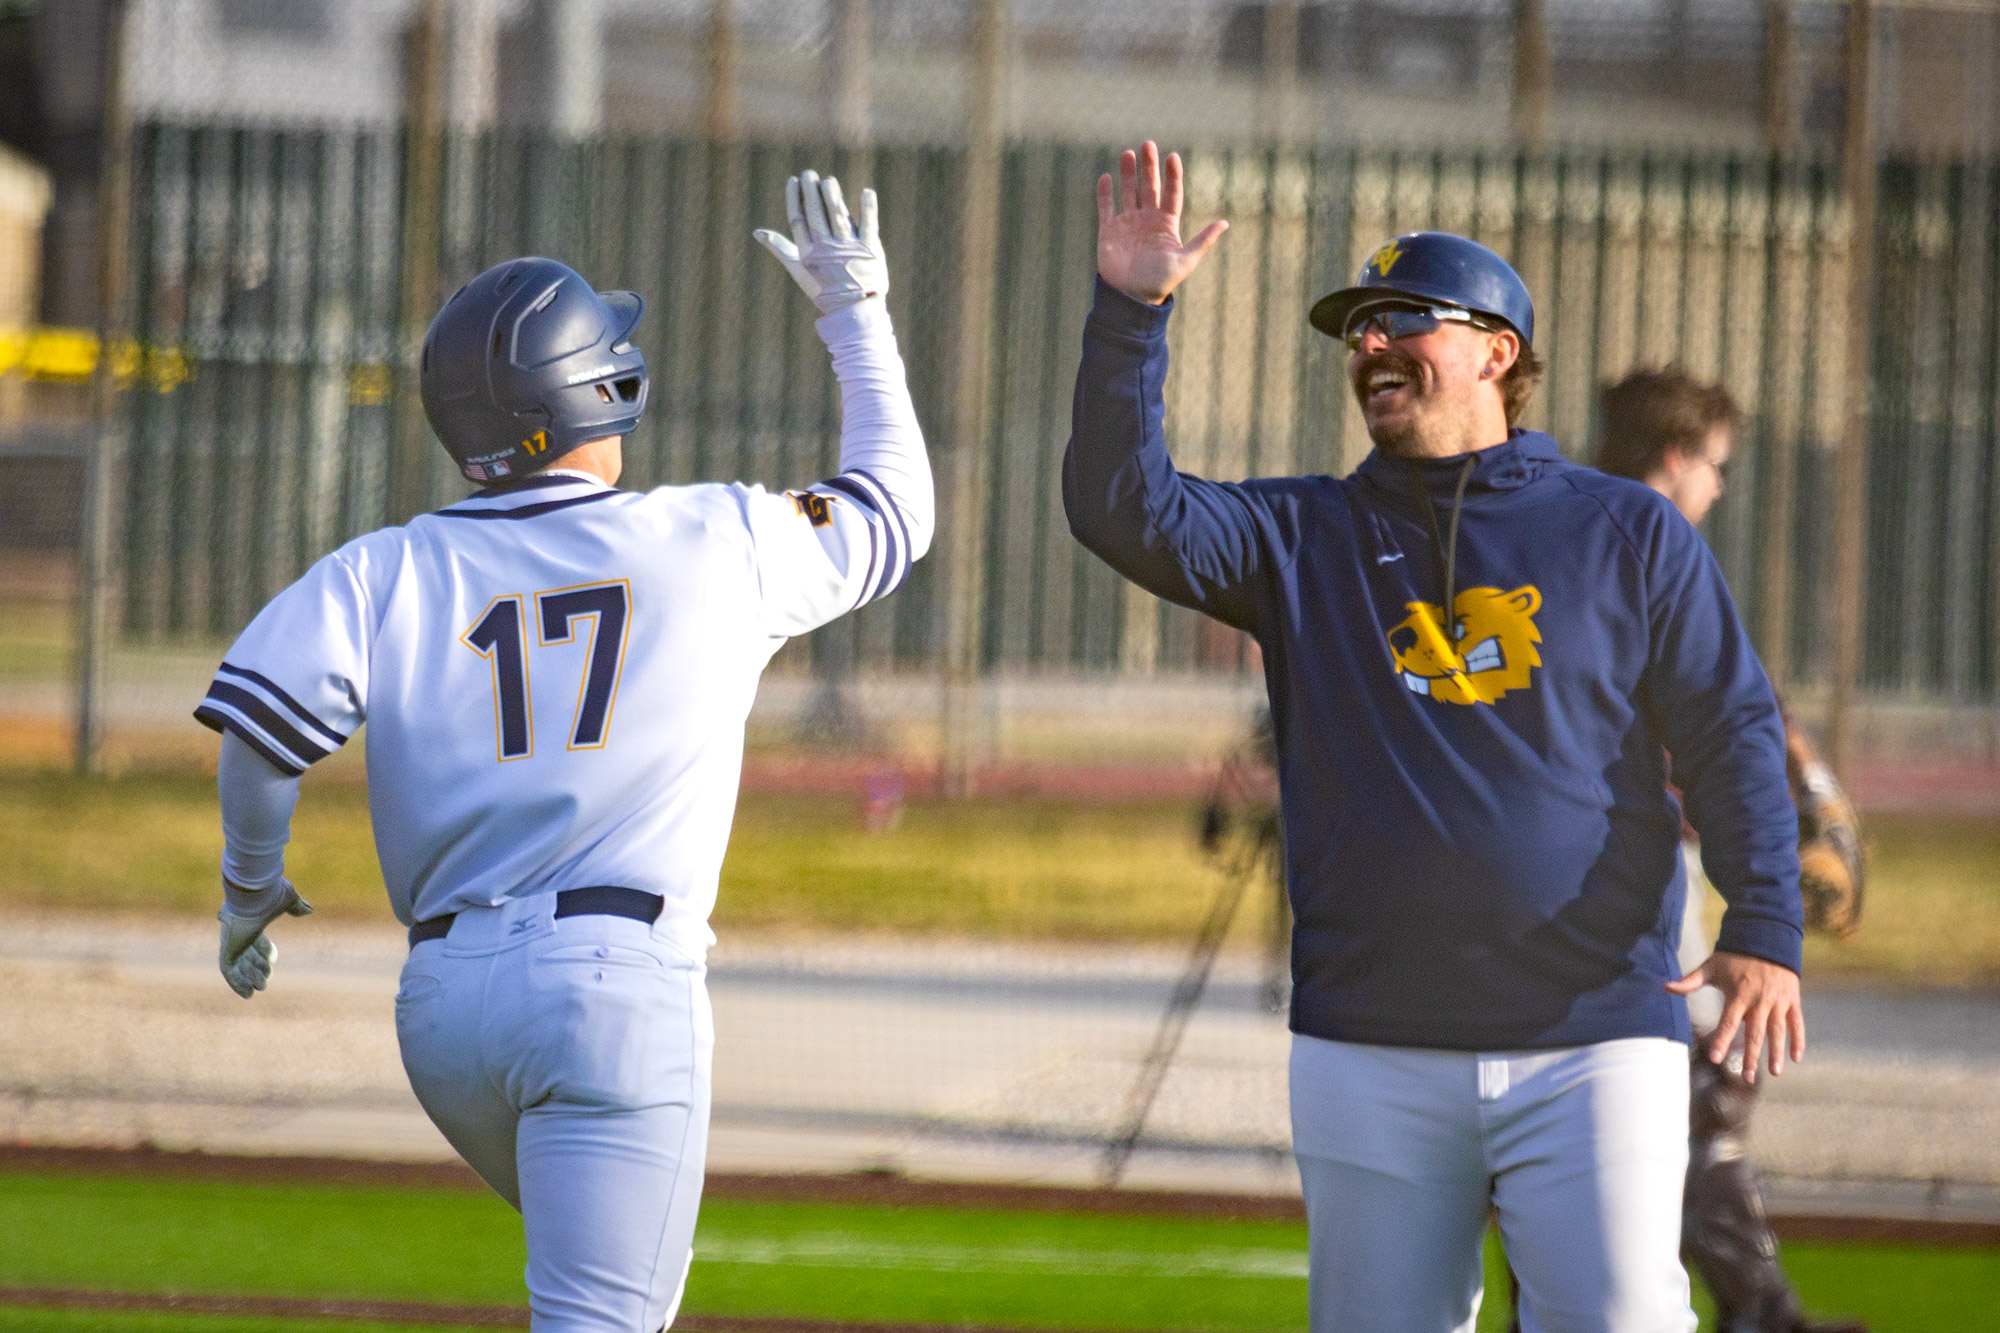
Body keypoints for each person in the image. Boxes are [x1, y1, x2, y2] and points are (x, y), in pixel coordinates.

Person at [1065, 142, 1806, 1333]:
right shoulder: (1299, 534)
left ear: (1494, 352)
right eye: (1354, 329)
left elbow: (1728, 731)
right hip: (1370, 1046)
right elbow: (1119, 508)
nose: (1366, 346)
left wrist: (1764, 922)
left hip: (1593, 1037)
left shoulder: (1626, 533)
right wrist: (1129, 314)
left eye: (1399, 318)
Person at [196, 171, 931, 1332]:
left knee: (594, 1296)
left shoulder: (383, 565)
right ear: (602, 391)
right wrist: (854, 318)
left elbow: (259, 733)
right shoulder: (712, 534)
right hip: (610, 986)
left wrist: (249, 885)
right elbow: (896, 508)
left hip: (442, 1007)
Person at [1595, 368, 1867, 1333]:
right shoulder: (1626, 541)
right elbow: (1712, 713)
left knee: (1679, 1106)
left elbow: (1729, 693)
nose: (1718, 486)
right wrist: (1798, 788)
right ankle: (1758, 1312)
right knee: (1697, 1098)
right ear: (1676, 458)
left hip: (1628, 888)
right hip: (1621, 893)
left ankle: (1747, 1307)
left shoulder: (1596, 530)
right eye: (1716, 465)